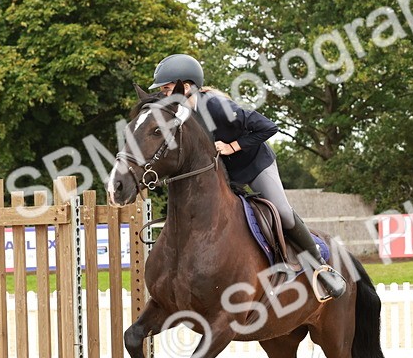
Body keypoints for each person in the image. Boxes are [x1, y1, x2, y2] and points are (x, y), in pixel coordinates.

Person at [147, 54, 346, 300]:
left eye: (166, 89)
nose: (163, 95)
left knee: (282, 211)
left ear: (186, 87)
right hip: (226, 172)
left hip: (254, 164)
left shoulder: (218, 106)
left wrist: (232, 146)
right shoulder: (181, 115)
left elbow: (268, 127)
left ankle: (321, 267)